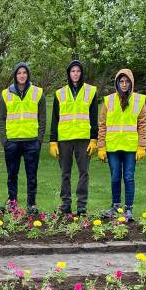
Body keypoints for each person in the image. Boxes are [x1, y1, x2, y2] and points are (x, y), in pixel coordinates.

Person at [49, 60, 98, 217]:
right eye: (73, 71)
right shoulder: (60, 93)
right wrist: (53, 141)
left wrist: (94, 139)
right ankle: (65, 205)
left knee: (84, 172)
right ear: (69, 74)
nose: (75, 74)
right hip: (65, 140)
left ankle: (82, 205)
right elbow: (55, 119)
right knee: (65, 173)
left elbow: (94, 117)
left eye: (78, 71)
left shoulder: (90, 91)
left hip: (84, 139)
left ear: (81, 73)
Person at [97, 68, 146, 221]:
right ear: (117, 83)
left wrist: (142, 146)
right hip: (113, 147)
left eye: (127, 82)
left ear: (131, 83)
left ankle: (129, 209)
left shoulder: (139, 101)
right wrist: (101, 146)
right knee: (115, 177)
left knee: (129, 177)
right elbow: (102, 125)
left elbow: (142, 125)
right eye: (121, 81)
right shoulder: (109, 100)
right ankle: (116, 206)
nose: (124, 84)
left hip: (130, 147)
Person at [0, 62, 45, 214]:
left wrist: (39, 140)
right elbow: (1, 119)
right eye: (19, 73)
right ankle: (12, 203)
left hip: (32, 141)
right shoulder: (6, 94)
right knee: (12, 175)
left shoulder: (38, 93)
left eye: (24, 72)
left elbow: (42, 119)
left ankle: (31, 204)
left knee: (32, 175)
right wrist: (4, 141)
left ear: (28, 75)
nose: (22, 75)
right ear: (15, 75)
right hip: (12, 142)